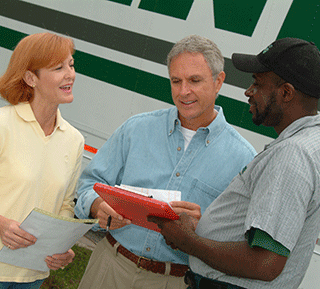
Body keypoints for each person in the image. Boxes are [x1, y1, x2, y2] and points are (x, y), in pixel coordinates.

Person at [75, 34, 256, 289]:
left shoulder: (244, 160)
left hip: (176, 281)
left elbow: (243, 244)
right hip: (109, 266)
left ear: (219, 81)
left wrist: (201, 231)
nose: (184, 92)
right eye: (176, 81)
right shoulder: (137, 129)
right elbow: (88, 184)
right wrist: (96, 205)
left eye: (195, 80)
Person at [149, 37, 320, 289]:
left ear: (286, 93)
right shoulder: (309, 141)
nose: (248, 92)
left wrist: (188, 240)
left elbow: (265, 263)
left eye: (257, 84)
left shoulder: (292, 154)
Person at [0, 32, 84, 288]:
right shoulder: (3, 125)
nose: (70, 74)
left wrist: (62, 245)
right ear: (30, 78)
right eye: (58, 67)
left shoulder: (74, 140)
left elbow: (66, 205)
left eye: (70, 64)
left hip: (32, 275)